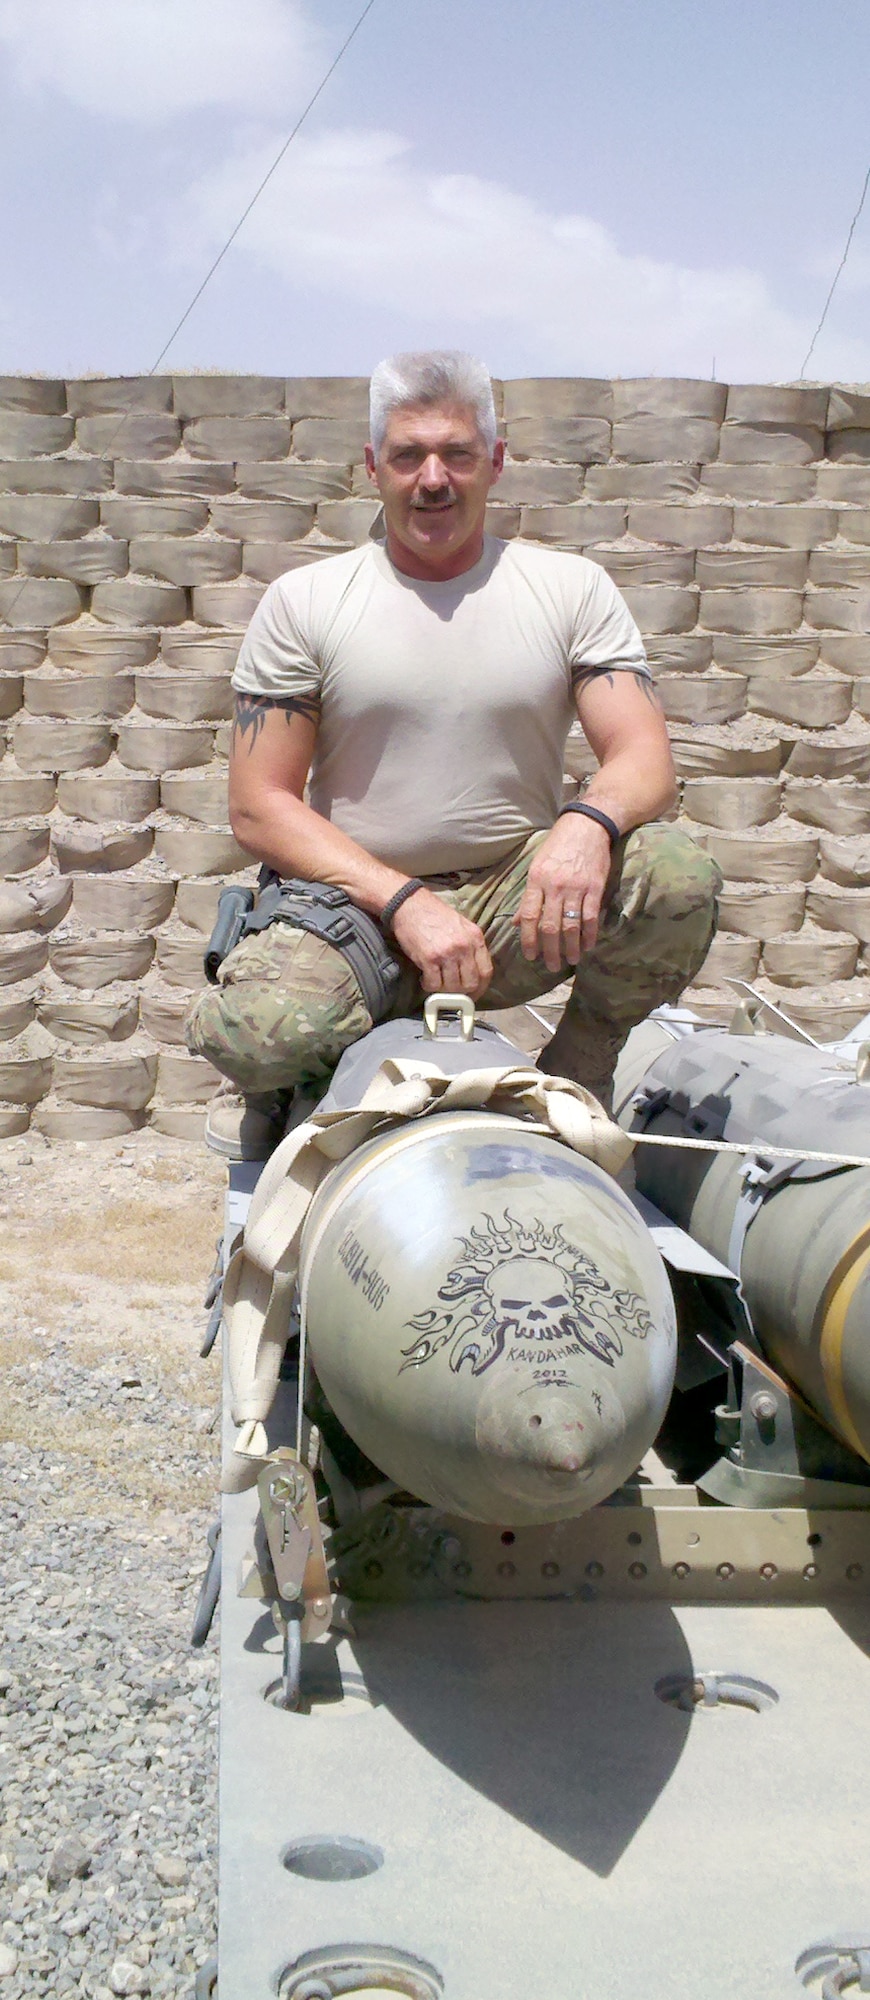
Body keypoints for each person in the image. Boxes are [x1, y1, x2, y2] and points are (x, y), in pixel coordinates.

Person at [187, 350, 719, 1153]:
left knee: (676, 876)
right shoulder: (307, 602)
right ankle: (298, 1081)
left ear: (494, 463)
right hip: (355, 911)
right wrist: (404, 903)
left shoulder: (569, 589)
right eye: (408, 456)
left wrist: (584, 827)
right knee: (257, 1034)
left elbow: (645, 758)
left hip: (517, 909)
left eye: (457, 454)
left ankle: (582, 1064)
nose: (433, 479)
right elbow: (260, 806)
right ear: (374, 467)